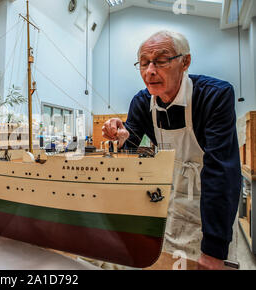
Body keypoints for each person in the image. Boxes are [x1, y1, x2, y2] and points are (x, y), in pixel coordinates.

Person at [102, 30, 241, 270]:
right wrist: (121, 136)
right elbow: (133, 143)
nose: (150, 71)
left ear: (185, 61)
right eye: (144, 63)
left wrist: (214, 249)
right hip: (171, 201)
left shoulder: (214, 96)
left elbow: (221, 171)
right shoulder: (142, 101)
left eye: (161, 61)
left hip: (211, 205)